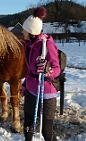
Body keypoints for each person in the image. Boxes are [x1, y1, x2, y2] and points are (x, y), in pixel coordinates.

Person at [20, 7, 60, 141]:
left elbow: (56, 68)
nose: (22, 31)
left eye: (24, 29)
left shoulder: (46, 44)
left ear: (31, 32)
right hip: (31, 90)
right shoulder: (28, 45)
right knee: (27, 126)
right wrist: (25, 84)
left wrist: (48, 71)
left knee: (46, 132)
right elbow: (30, 69)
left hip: (46, 91)